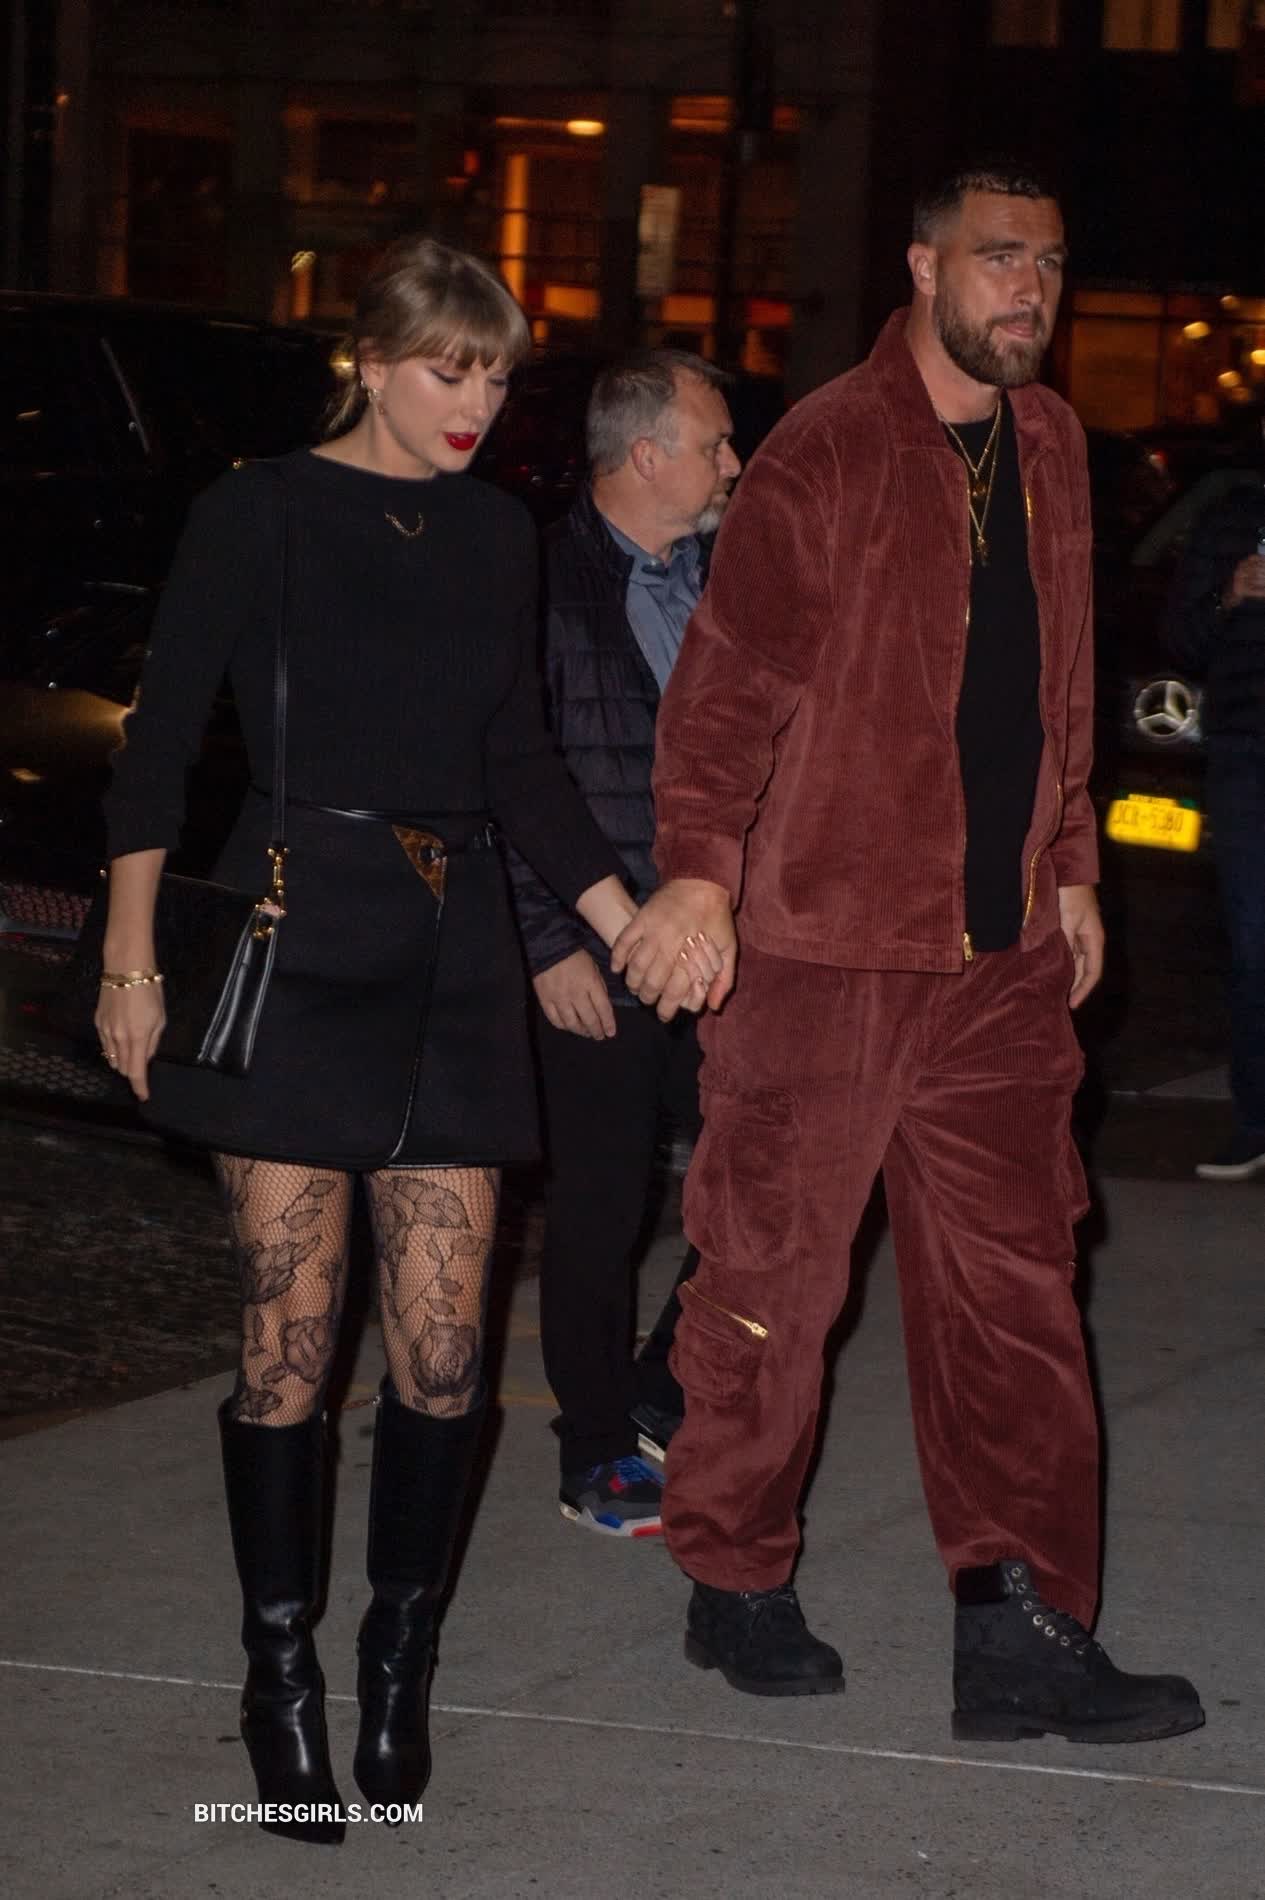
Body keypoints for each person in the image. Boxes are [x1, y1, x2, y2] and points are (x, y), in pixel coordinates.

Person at [94, 236, 719, 1846]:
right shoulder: (258, 511)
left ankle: (394, 1665)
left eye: (498, 377)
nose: (475, 404)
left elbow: (518, 759)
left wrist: (623, 917)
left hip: (452, 965)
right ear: (368, 359)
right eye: (450, 369)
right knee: (290, 1352)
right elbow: (160, 742)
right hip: (299, 938)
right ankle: (279, 1677)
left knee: (444, 1359)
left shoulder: (498, 534)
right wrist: (131, 962)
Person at [610, 164, 1204, 1744]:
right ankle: (733, 1573)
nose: (1030, 290)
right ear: (925, 267)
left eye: (1050, 264)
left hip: (1000, 965)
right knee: (770, 1283)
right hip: (824, 952)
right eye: (1000, 260)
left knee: (1019, 1299)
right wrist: (699, 875)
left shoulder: (1054, 443)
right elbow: (726, 691)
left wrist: (1070, 866)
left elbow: (1061, 688)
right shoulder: (825, 449)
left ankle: (1020, 1631)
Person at [508, 350, 741, 1534]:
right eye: (714, 444)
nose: (733, 464)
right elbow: (508, 771)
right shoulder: (538, 580)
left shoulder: (732, 578)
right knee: (601, 1205)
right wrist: (548, 942)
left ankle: (660, 1381)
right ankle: (595, 1445)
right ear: (645, 455)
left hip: (726, 942)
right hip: (598, 947)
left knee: (761, 1178)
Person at [1167, 437, 1265, 1180]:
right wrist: (1227, 596)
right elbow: (1179, 638)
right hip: (1245, 757)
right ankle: (1255, 1121)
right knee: (1252, 945)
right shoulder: (1233, 517)